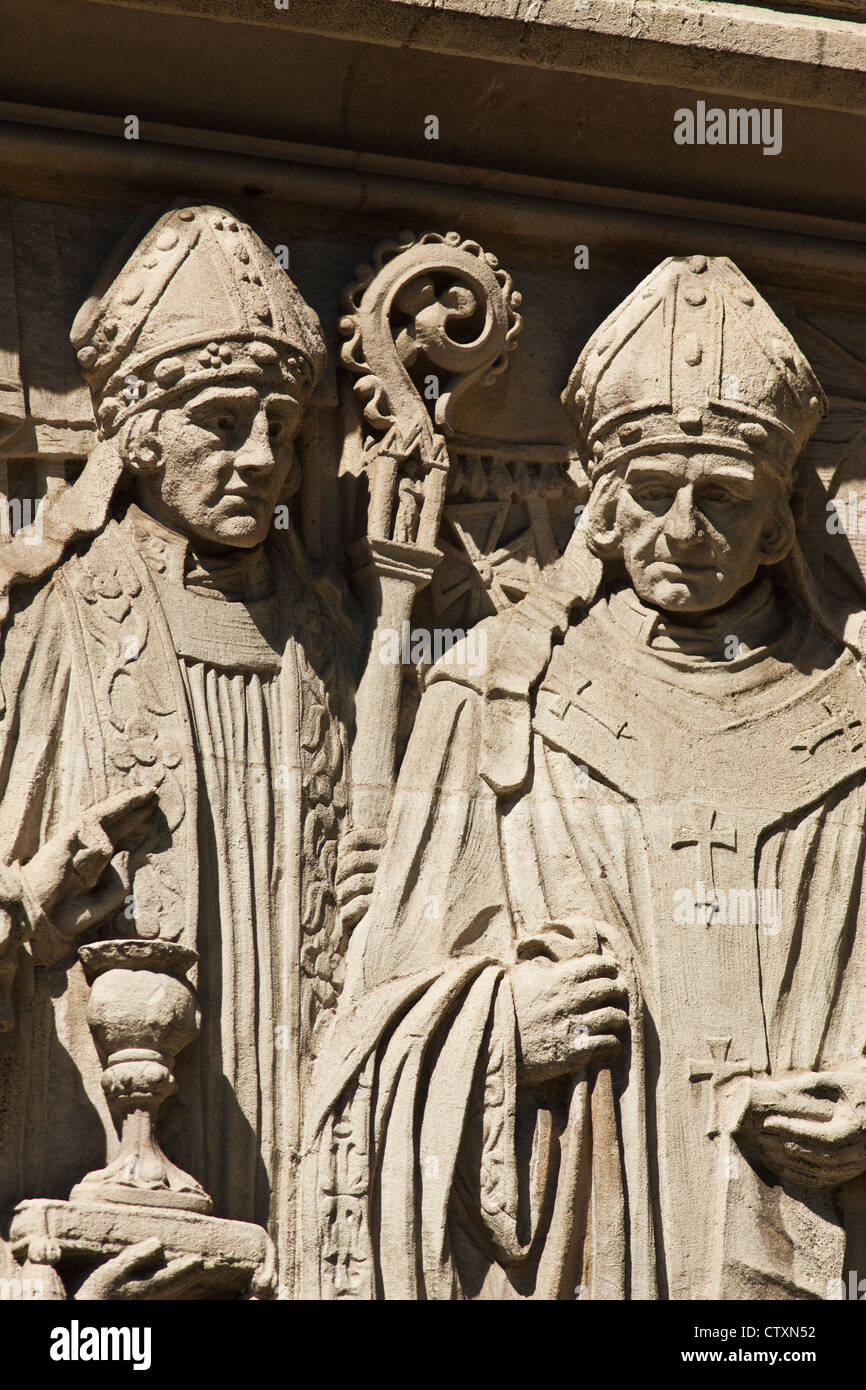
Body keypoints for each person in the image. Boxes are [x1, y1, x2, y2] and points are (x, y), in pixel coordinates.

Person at [304, 254, 866, 1300]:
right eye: (651, 492)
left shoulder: (856, 719)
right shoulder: (492, 696)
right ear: (599, 503)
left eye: (724, 497)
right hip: (588, 1240)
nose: (683, 530)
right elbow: (361, 1040)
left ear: (780, 520)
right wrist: (500, 1028)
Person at [0, 204, 353, 1297]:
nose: (259, 458)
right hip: (85, 1106)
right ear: (138, 431)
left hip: (309, 1114)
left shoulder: (334, 645)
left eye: (283, 430)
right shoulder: (59, 621)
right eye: (220, 420)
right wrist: (29, 904)